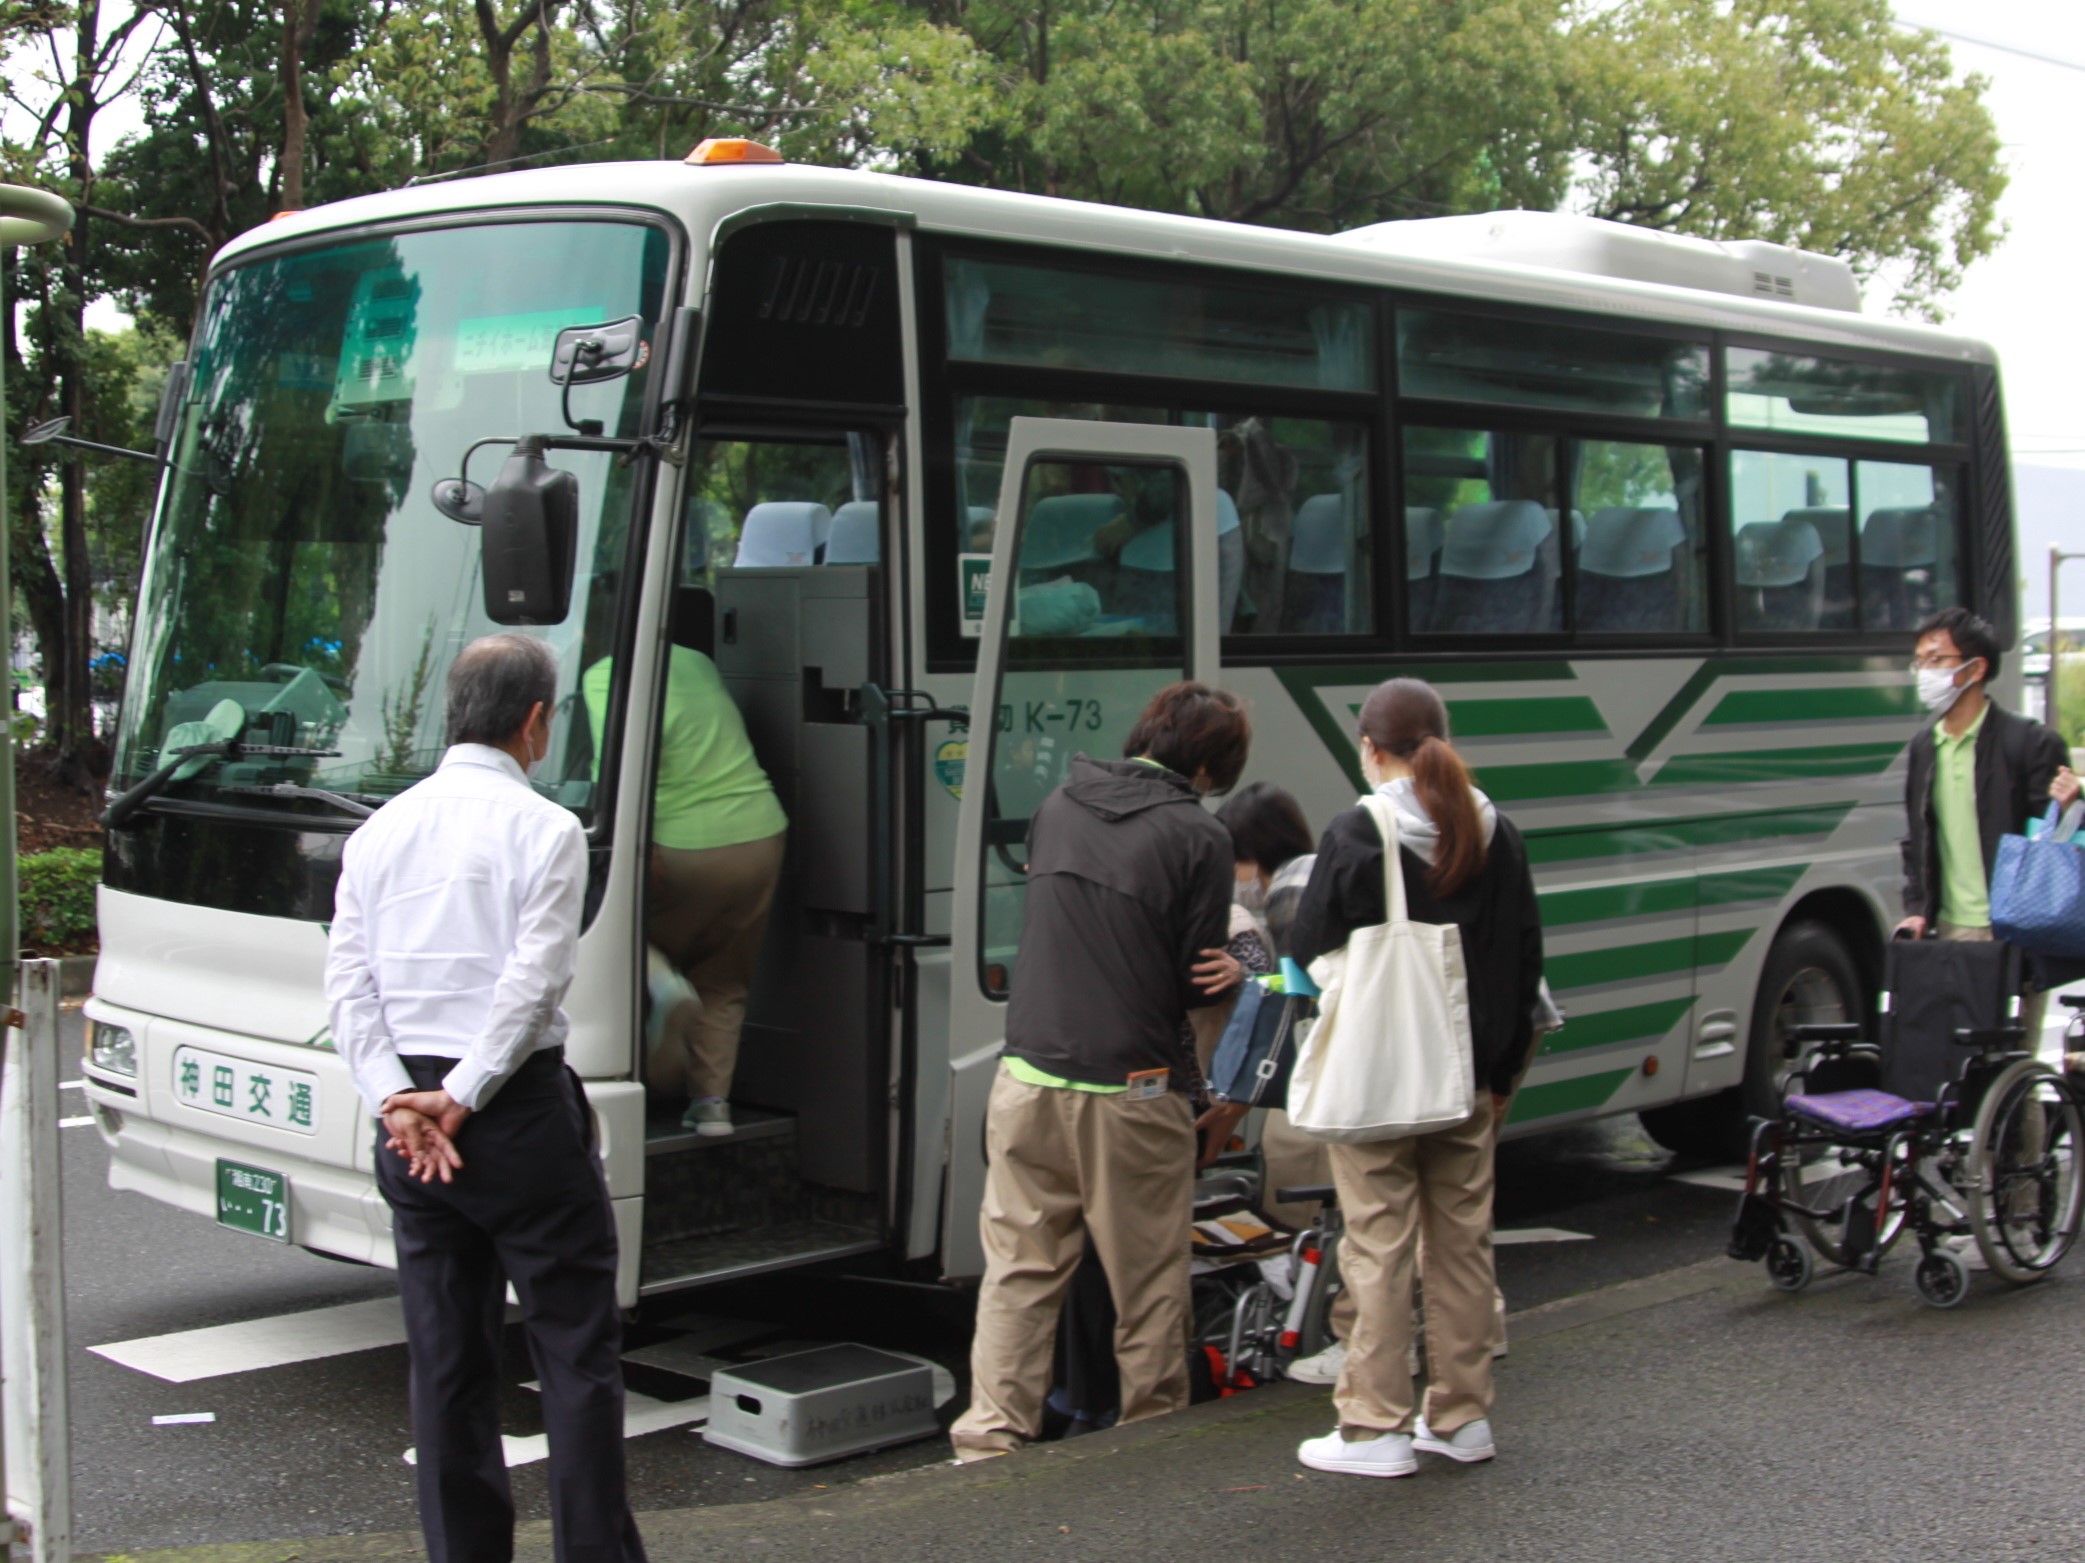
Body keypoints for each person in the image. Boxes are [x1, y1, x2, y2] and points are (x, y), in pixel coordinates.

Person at [325, 633, 645, 1563]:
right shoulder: (545, 829)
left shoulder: (379, 829)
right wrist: (459, 1098)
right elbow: (532, 984)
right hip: (513, 1116)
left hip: (412, 1135)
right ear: (536, 721)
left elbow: (348, 984)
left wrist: (399, 1100)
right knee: (575, 1355)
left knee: (445, 1360)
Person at [949, 681, 1253, 1461]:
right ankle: (1146, 1445)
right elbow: (1192, 980)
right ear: (1212, 768)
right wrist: (1234, 974)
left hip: (1026, 1074)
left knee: (1019, 1271)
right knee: (1147, 1281)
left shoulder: (1058, 805)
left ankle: (986, 1439)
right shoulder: (1198, 836)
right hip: (1130, 1086)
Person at [1287, 677, 1544, 1479]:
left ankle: (1374, 1425)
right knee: (1462, 1245)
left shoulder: (1357, 830)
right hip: (1466, 1077)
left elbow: (1303, 949)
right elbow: (1523, 957)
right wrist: (1498, 1074)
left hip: (1380, 1080)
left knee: (1379, 1245)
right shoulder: (1491, 828)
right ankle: (1462, 1418)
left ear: (1369, 748)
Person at [584, 641, 787, 1137]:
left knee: (611, 928)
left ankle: (662, 983)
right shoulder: (697, 660)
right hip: (761, 835)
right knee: (725, 976)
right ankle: (711, 1104)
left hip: (682, 844)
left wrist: (640, 844)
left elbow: (616, 772)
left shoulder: (604, 675)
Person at [1898, 606, 2081, 1039]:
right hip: (1946, 931)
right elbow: (1917, 840)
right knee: (1947, 1062)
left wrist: (2074, 803)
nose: (1924, 672)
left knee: (2006, 1062)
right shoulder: (1925, 747)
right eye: (1919, 661)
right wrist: (1916, 911)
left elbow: (2058, 842)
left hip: (2012, 929)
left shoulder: (2029, 742)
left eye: (1936, 660)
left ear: (1975, 668)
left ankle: (2028, 1109)